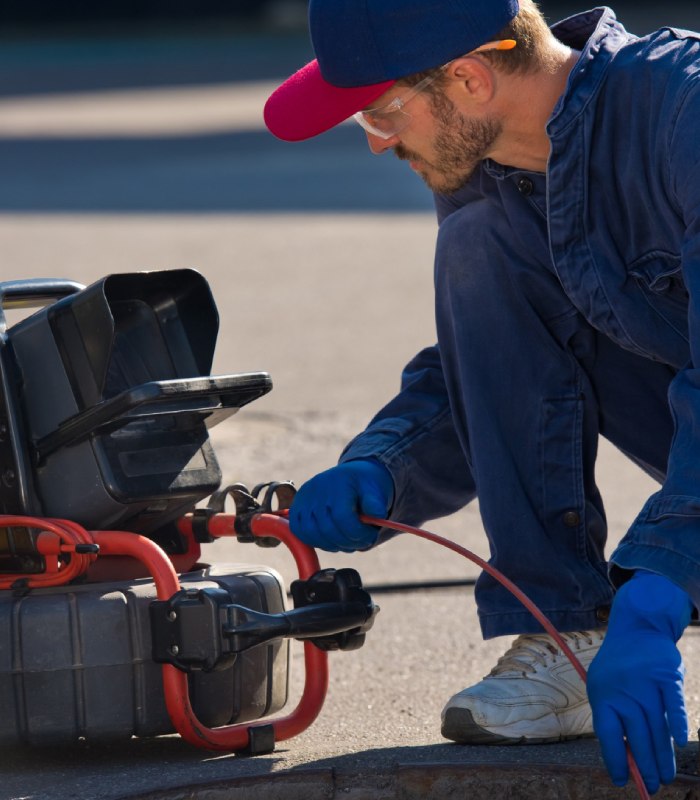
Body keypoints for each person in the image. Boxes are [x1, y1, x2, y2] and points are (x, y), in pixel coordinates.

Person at [263, 0, 699, 794]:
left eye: (380, 112)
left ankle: (630, 615)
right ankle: (566, 635)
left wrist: (663, 583)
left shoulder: (685, 118)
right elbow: (497, 353)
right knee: (481, 247)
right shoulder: (492, 164)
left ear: (468, 78)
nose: (379, 142)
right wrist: (384, 468)